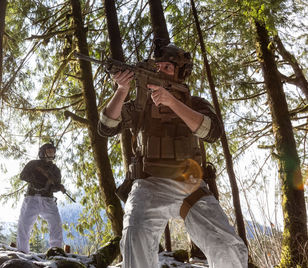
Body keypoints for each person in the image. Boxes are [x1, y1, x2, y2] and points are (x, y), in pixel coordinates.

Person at [98, 43, 248, 267]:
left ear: (181, 72)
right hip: (148, 184)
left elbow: (213, 132)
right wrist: (121, 91)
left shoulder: (194, 103)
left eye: (167, 66)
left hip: (190, 185)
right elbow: (106, 127)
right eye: (157, 66)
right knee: (134, 239)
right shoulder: (140, 104)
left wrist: (172, 102)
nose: (160, 70)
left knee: (227, 246)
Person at [16, 142, 65, 253]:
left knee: (56, 224)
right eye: (49, 151)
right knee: (24, 225)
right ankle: (22, 251)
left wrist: (59, 187)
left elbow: (54, 187)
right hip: (32, 198)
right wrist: (39, 179)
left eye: (53, 151)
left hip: (48, 200)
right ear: (43, 152)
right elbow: (22, 176)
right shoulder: (33, 164)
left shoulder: (55, 170)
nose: (51, 153)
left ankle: (56, 251)